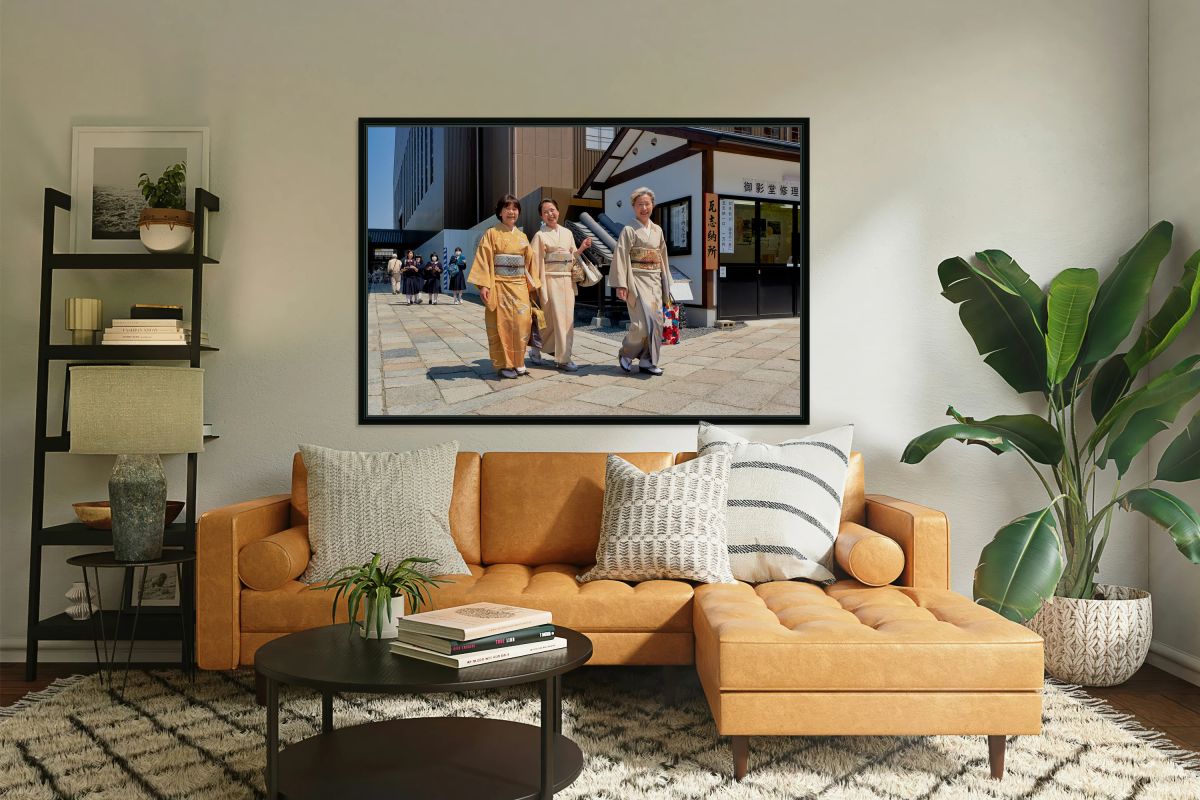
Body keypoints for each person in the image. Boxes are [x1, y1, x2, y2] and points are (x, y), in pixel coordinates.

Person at [468, 194, 539, 379]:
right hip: (499, 285)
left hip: (520, 286)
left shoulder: (523, 236)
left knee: (523, 323)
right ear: (500, 212)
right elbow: (484, 259)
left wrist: (534, 285)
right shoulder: (491, 233)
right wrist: (484, 284)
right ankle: (505, 364)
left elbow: (530, 263)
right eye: (507, 208)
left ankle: (519, 361)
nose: (511, 212)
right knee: (503, 324)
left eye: (515, 208)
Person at [609, 187, 671, 376]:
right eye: (639, 204)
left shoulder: (658, 230)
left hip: (654, 281)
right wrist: (621, 284)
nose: (644, 208)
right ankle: (626, 353)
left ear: (653, 205)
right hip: (635, 281)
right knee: (641, 325)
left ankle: (647, 361)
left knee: (657, 323)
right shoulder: (629, 230)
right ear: (634, 207)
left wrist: (666, 281)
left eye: (647, 204)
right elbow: (620, 255)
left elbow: (663, 258)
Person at [529, 198, 592, 371]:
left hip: (566, 280)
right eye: (546, 211)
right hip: (549, 280)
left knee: (567, 320)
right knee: (551, 320)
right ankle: (537, 347)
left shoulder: (567, 233)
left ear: (558, 211)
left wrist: (582, 248)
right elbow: (535, 262)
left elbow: (572, 257)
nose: (550, 214)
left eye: (553, 210)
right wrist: (537, 286)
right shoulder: (540, 236)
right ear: (541, 216)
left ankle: (564, 358)